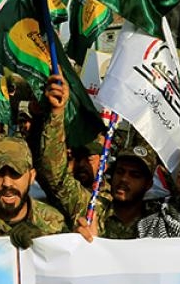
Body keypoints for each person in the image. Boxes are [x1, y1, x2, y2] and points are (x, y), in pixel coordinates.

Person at [40, 74, 157, 240]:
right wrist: (57, 113)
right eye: (120, 172)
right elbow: (56, 176)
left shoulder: (157, 224)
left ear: (148, 184)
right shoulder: (91, 207)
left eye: (134, 175)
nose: (124, 179)